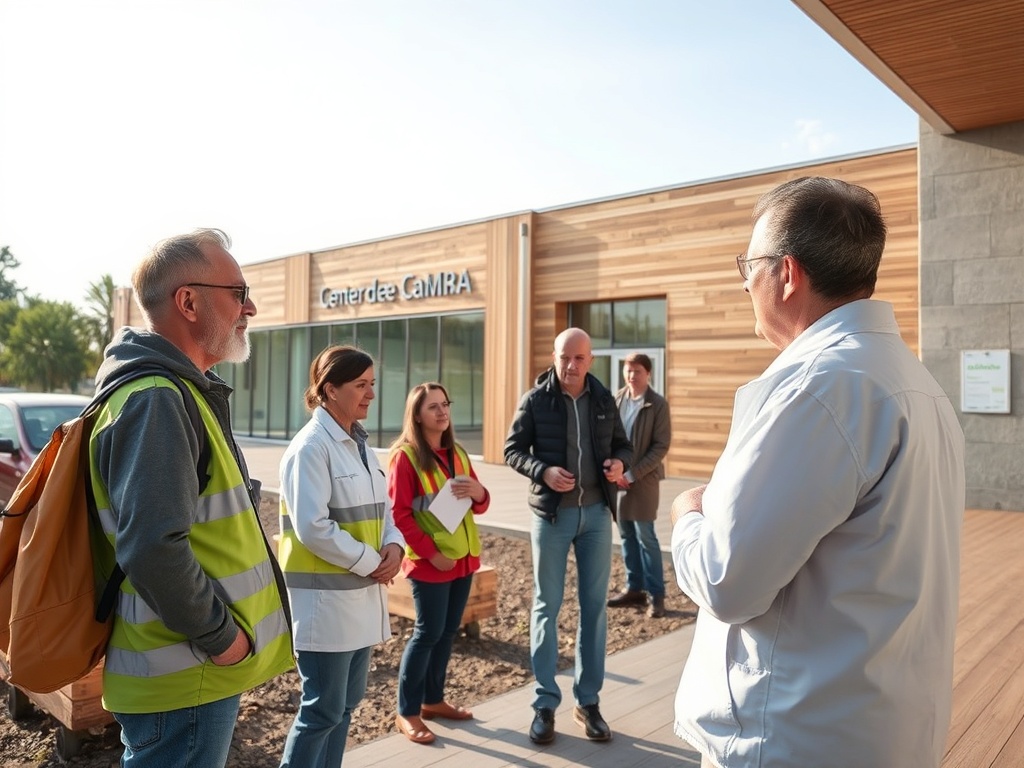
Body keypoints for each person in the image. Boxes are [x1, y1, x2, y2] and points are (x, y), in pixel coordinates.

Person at [669, 177, 966, 767]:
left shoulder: (819, 390)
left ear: (786, 273)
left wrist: (687, 516)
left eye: (747, 265)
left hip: (792, 738)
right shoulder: (914, 384)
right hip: (877, 727)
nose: (744, 283)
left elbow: (727, 581)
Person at [89, 228, 294, 767]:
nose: (250, 307)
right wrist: (223, 639)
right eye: (239, 292)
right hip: (186, 673)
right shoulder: (157, 399)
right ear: (188, 301)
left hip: (189, 671)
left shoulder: (172, 392)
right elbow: (153, 548)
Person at [504, 327, 633, 745]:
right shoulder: (535, 400)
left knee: (594, 609)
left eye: (579, 358)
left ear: (590, 360)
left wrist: (619, 463)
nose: (571, 365)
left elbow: (623, 446)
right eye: (565, 357)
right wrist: (542, 471)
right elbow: (512, 450)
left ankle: (588, 702)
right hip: (552, 517)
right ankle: (544, 704)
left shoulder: (603, 399)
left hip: (596, 516)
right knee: (547, 605)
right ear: (554, 357)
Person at [278, 345, 405, 768]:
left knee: (344, 708)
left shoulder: (361, 446)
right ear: (330, 389)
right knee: (322, 712)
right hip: (325, 609)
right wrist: (374, 562)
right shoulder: (310, 448)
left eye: (372, 384)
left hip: (360, 601)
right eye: (361, 385)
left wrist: (394, 546)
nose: (371, 394)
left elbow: (383, 512)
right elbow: (313, 527)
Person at [388, 382, 491, 745]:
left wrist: (480, 493)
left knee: (447, 632)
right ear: (417, 415)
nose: (442, 411)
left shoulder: (458, 452)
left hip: (463, 560)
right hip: (430, 562)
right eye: (433, 406)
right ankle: (407, 712)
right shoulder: (405, 457)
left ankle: (432, 700)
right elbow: (399, 515)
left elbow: (480, 504)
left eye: (445, 404)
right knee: (427, 634)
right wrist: (432, 554)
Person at [607, 353, 672, 618]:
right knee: (626, 535)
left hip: (644, 482)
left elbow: (661, 446)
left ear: (648, 374)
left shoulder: (658, 404)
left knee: (646, 536)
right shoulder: (616, 400)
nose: (632, 376)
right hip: (617, 481)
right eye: (628, 370)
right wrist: (614, 471)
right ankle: (634, 589)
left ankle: (657, 595)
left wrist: (632, 474)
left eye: (637, 371)